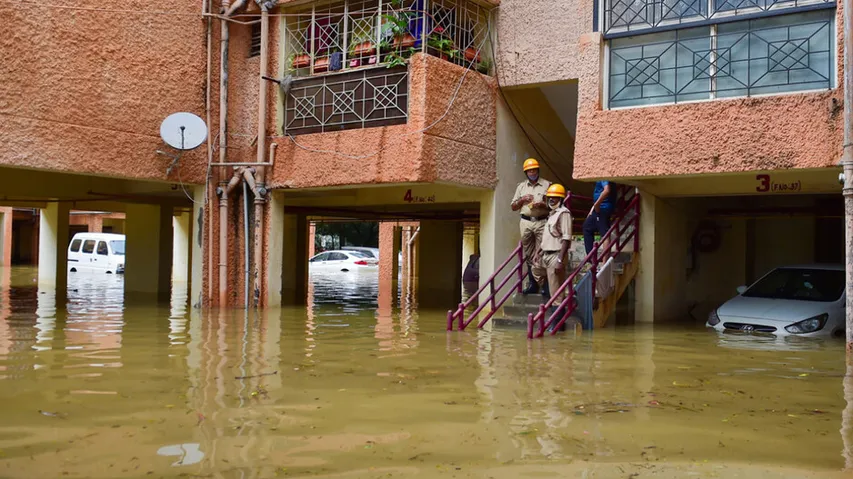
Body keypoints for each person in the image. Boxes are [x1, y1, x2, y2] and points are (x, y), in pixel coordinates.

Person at [510, 158, 551, 295]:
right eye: (529, 171)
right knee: (528, 254)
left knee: (540, 252)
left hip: (541, 221)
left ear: (538, 170)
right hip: (526, 222)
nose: (532, 172)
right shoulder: (521, 187)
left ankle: (544, 285)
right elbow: (513, 207)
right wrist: (522, 200)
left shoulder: (547, 185)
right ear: (526, 172)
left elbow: (554, 205)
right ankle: (533, 284)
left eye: (534, 170)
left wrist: (542, 205)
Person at [532, 184, 572, 305]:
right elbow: (546, 237)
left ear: (560, 199)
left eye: (554, 197)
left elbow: (566, 238)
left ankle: (557, 321)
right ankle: (547, 287)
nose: (551, 199)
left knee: (556, 294)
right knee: (535, 269)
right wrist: (538, 252)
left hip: (556, 254)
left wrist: (560, 260)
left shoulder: (564, 213)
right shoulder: (552, 214)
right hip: (546, 254)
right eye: (550, 197)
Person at [583, 180, 616, 254]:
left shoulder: (604, 176)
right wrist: (593, 208)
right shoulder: (600, 177)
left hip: (603, 208)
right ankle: (590, 257)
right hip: (598, 208)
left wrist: (597, 205)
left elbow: (607, 190)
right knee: (587, 226)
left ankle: (605, 263)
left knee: (605, 234)